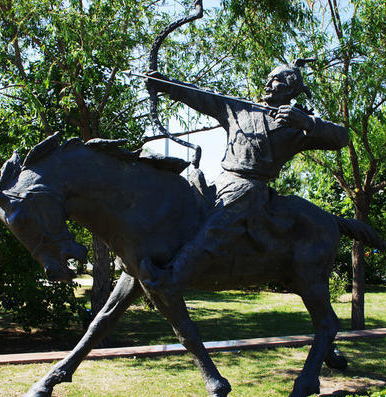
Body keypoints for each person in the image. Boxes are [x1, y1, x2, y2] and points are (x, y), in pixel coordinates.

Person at [140, 59, 349, 296]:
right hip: (220, 180)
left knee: (218, 224)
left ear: (291, 90)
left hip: (249, 189)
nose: (269, 83)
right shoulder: (241, 108)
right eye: (269, 77)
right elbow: (202, 96)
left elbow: (342, 138)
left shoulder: (297, 126)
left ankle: (172, 278)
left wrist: (309, 123)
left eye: (277, 80)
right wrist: (165, 84)